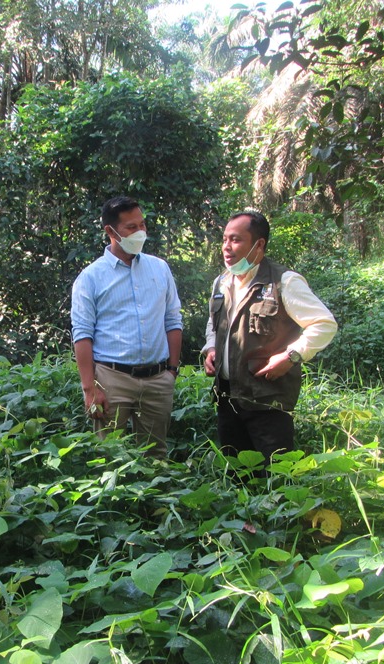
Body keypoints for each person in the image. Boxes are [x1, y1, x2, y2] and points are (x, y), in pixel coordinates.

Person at [203, 211, 337, 468]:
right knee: (237, 476)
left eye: (236, 240)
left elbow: (324, 324)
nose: (227, 248)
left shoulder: (284, 281)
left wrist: (291, 356)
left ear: (259, 244)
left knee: (277, 475)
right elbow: (214, 323)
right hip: (227, 399)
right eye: (224, 239)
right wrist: (211, 348)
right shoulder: (222, 282)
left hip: (267, 401)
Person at [70, 196, 183, 458]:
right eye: (131, 227)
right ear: (110, 231)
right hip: (112, 379)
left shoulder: (160, 268)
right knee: (109, 457)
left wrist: (171, 371)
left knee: (156, 456)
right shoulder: (91, 278)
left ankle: (153, 500)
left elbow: (173, 320)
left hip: (157, 379)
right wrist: (90, 388)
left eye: (142, 224)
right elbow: (82, 334)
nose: (140, 232)